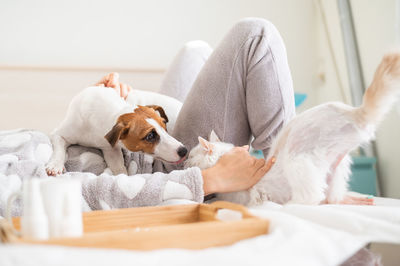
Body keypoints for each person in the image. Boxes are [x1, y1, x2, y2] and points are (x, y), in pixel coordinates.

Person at [92, 17, 295, 203]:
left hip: (152, 144)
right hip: (163, 172)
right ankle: (287, 173)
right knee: (256, 35)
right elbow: (95, 191)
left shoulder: (81, 118)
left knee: (194, 51)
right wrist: (209, 179)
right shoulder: (62, 171)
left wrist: (103, 105)